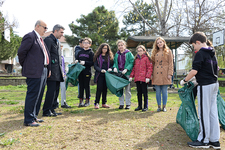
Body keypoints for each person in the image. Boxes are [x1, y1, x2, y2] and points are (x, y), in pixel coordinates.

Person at [180, 32, 220, 149]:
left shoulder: (200, 53)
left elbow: (194, 71)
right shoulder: (212, 52)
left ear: (197, 42)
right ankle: (214, 140)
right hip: (214, 84)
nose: (194, 48)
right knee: (212, 112)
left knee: (203, 113)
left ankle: (203, 140)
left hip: (205, 86)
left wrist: (185, 80)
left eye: (193, 45)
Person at [17, 20, 50, 127]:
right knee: (33, 95)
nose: (46, 30)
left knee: (39, 95)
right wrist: (27, 65)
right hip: (34, 71)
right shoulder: (30, 36)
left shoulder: (41, 40)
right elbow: (21, 53)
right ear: (37, 26)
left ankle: (34, 116)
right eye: (45, 27)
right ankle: (28, 119)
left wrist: (48, 69)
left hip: (43, 70)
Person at [42, 24, 65, 117]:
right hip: (51, 71)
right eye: (61, 32)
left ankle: (52, 109)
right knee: (51, 91)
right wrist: (49, 69)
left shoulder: (58, 42)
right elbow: (47, 56)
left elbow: (59, 58)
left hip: (58, 71)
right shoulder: (48, 40)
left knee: (56, 91)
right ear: (55, 31)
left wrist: (62, 71)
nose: (62, 34)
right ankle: (46, 110)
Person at [151, 37, 173, 112]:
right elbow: (152, 64)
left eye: (161, 42)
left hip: (165, 72)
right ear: (156, 44)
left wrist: (170, 73)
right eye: (158, 43)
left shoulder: (168, 51)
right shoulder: (154, 52)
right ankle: (158, 106)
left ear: (164, 42)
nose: (159, 44)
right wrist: (152, 74)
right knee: (157, 90)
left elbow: (171, 63)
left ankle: (164, 106)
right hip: (156, 72)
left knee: (164, 90)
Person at [129, 45, 153, 112]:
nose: (139, 52)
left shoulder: (146, 58)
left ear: (144, 51)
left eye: (141, 50)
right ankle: (139, 106)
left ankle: (145, 106)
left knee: (144, 93)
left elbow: (150, 68)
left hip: (144, 79)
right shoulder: (136, 59)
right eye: (138, 51)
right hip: (137, 78)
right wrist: (131, 76)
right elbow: (134, 69)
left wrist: (148, 77)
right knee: (138, 93)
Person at [113, 40, 134, 109]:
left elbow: (132, 62)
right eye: (119, 45)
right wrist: (115, 67)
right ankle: (121, 104)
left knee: (127, 89)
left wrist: (127, 69)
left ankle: (128, 104)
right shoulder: (117, 54)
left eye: (122, 45)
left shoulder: (129, 53)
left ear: (124, 46)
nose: (120, 46)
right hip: (119, 74)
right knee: (120, 89)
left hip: (126, 73)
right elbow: (115, 62)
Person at [93, 43, 114, 109]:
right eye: (103, 48)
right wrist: (100, 70)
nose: (105, 49)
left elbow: (112, 65)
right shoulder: (97, 56)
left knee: (105, 89)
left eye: (106, 48)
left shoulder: (109, 56)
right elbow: (95, 66)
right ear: (101, 48)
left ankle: (104, 103)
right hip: (100, 75)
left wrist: (110, 68)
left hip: (107, 75)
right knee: (99, 89)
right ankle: (96, 103)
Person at [75, 37, 94, 107]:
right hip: (80, 71)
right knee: (81, 86)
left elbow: (92, 63)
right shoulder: (80, 52)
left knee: (86, 86)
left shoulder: (91, 53)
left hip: (87, 72)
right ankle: (81, 101)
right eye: (84, 42)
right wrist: (76, 61)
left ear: (90, 44)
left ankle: (87, 100)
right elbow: (77, 58)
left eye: (87, 43)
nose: (85, 44)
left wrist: (85, 62)